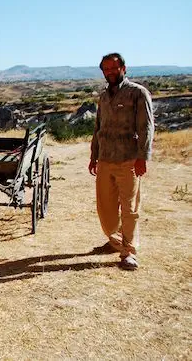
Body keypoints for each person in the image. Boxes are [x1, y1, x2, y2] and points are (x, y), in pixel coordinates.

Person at [88, 53, 154, 271]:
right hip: (106, 158)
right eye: (106, 69)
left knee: (130, 208)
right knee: (105, 209)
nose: (110, 72)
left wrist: (143, 157)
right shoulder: (103, 97)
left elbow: (146, 127)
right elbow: (98, 128)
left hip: (129, 159)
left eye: (114, 68)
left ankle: (129, 252)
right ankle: (115, 240)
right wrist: (93, 155)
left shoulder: (137, 93)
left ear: (124, 68)